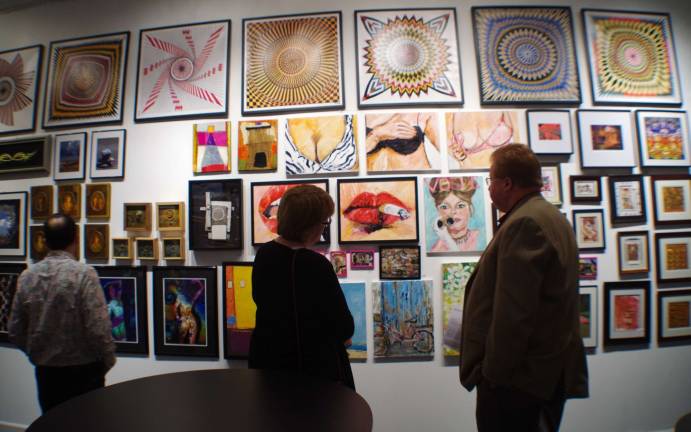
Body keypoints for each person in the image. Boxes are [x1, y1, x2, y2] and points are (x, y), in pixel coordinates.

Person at [459, 144, 588, 432]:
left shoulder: (526, 223)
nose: (489, 189)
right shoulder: (551, 216)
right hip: (541, 375)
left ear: (507, 183)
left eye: (490, 180)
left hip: (519, 383)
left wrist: (492, 377)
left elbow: (514, 315)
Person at [249, 185, 355, 389]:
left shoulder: (264, 255)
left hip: (269, 366)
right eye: (324, 221)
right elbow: (343, 326)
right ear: (309, 225)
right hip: (312, 375)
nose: (324, 227)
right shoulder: (315, 264)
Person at [9, 213, 116, 413]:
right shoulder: (84, 274)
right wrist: (106, 362)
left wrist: (38, 355)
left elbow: (15, 330)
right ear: (76, 238)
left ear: (45, 240)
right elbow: (98, 328)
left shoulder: (27, 276)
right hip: (85, 373)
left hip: (47, 375)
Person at [428, 177, 481, 252]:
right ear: (438, 210)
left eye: (460, 206)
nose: (453, 212)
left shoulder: (480, 239)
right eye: (445, 207)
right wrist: (446, 237)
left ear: (469, 208)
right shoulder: (437, 249)